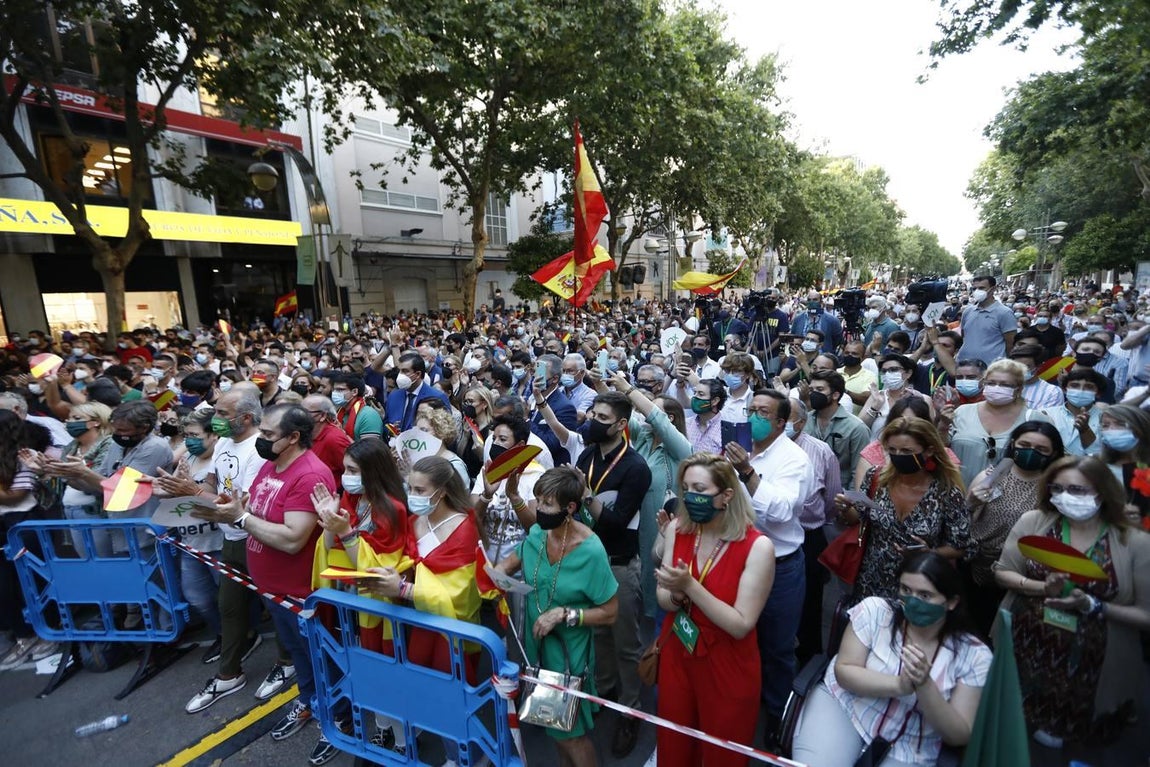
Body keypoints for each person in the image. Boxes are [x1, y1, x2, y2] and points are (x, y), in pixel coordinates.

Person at [189, 403, 336, 748]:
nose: (262, 440)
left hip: (300, 595)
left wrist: (240, 519)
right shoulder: (271, 465)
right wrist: (228, 506)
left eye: (269, 435)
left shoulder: (309, 475)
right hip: (274, 591)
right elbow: (254, 506)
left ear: (294, 438)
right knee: (302, 660)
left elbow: (292, 538)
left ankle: (337, 719)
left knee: (322, 660)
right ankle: (311, 703)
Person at [994, 456, 1150, 749]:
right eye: (1057, 488)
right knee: (1016, 730)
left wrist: (1093, 606)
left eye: (1078, 490)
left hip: (1094, 661)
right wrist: (1042, 587)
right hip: (1025, 646)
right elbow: (1003, 573)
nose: (1065, 497)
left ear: (1103, 492)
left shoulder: (1135, 542)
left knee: (1079, 742)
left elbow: (1146, 614)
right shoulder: (1034, 522)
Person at [791, 552, 993, 767]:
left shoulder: (974, 655)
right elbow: (844, 671)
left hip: (912, 742)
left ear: (951, 602)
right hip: (847, 709)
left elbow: (958, 734)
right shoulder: (875, 612)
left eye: (925, 596)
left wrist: (924, 685)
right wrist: (900, 685)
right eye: (906, 590)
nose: (913, 602)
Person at [654, 454, 775, 767]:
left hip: (727, 663)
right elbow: (663, 598)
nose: (690, 496)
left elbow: (740, 624)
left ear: (726, 495)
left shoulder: (757, 547)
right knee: (675, 745)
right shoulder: (679, 529)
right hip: (678, 652)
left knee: (723, 753)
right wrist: (677, 596)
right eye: (686, 488)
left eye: (699, 488)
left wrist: (690, 587)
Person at [495, 466, 619, 767]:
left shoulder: (590, 550)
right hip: (535, 647)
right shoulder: (539, 532)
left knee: (570, 735)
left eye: (547, 503)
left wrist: (565, 614)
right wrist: (497, 574)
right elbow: (512, 561)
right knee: (555, 728)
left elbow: (610, 612)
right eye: (537, 499)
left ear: (570, 508)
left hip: (569, 655)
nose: (539, 507)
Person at [368, 456, 485, 763]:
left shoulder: (464, 526)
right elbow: (405, 562)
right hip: (415, 623)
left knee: (452, 700)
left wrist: (403, 589)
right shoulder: (414, 520)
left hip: (451, 630)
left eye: (420, 489)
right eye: (410, 487)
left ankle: (461, 757)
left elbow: (458, 593)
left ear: (442, 491)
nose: (413, 495)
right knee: (425, 694)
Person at [310, 439, 411, 765]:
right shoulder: (351, 498)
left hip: (381, 607)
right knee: (364, 668)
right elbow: (330, 547)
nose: (346, 477)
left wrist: (347, 532)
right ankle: (381, 726)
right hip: (350, 601)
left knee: (387, 671)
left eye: (353, 470)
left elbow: (377, 571)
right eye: (346, 468)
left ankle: (402, 738)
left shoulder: (393, 508)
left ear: (372, 472)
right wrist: (329, 523)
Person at [723, 388, 812, 743]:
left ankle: (778, 719)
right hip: (735, 558)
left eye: (763, 412)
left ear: (780, 421)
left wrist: (746, 472)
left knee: (776, 647)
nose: (754, 417)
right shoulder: (736, 447)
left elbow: (781, 512)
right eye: (751, 410)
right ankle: (738, 705)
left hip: (779, 566)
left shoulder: (793, 459)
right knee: (736, 637)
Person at [837, 417, 969, 602]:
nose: (898, 455)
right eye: (892, 450)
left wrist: (930, 553)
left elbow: (961, 546)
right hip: (871, 580)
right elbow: (858, 518)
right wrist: (845, 508)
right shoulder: (876, 478)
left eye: (907, 451)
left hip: (920, 586)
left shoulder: (946, 491)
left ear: (929, 451)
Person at [963, 421, 1064, 636]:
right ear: (1013, 445)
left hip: (1023, 574)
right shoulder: (990, 477)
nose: (1030, 452)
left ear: (1053, 454)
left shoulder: (1053, 491)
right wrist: (971, 502)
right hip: (977, 569)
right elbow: (963, 523)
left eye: (1041, 449)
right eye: (1024, 445)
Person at [609, 371, 692, 621]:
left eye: (651, 411)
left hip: (662, 527)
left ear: (671, 418)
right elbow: (620, 414)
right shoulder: (644, 437)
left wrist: (629, 389)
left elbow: (657, 419)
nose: (644, 414)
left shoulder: (679, 447)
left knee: (657, 576)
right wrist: (605, 383)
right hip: (635, 524)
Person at [0, 410, 57, 667]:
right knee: (6, 586)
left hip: (22, 523)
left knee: (34, 580)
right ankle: (25, 635)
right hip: (4, 524)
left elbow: (18, 494)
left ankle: (49, 632)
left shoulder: (26, 456)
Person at [946, 359, 1047, 489]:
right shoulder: (962, 411)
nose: (997, 388)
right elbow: (942, 448)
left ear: (1019, 389)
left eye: (1005, 385)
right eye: (991, 383)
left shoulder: (1034, 418)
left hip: (1007, 499)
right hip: (957, 492)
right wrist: (942, 424)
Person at [852, 398, 960, 491]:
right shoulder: (873, 452)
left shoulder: (944, 455)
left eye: (914, 422)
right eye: (892, 450)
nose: (906, 427)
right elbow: (861, 500)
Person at [804, 370, 869, 489]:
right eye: (811, 390)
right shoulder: (804, 420)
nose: (813, 394)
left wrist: (850, 501)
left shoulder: (856, 427)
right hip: (808, 491)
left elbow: (859, 470)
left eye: (820, 390)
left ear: (835, 395)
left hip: (839, 493)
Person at [859, 353, 934, 440]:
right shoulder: (876, 396)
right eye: (884, 371)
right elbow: (860, 428)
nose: (888, 374)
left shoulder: (923, 399)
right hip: (876, 451)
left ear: (908, 373)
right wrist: (875, 407)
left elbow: (930, 433)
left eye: (893, 370)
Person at [1097, 404, 1150, 525]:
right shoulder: (1098, 467)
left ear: (1139, 427)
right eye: (1106, 426)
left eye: (1120, 424)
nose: (1112, 430)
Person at [957, 275, 1017, 363]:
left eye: (981, 288)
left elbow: (1010, 342)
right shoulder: (968, 311)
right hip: (965, 365)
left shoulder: (1004, 313)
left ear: (993, 289)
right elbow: (964, 336)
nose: (977, 291)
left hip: (992, 368)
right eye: (974, 288)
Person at [331, 373, 384, 440]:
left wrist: (343, 435)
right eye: (334, 390)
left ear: (354, 392)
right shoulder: (340, 411)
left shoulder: (368, 415)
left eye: (340, 390)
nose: (335, 393)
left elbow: (369, 449)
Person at [685, 379, 725, 455]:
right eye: (695, 393)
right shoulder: (686, 424)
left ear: (715, 401)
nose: (695, 397)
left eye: (701, 394)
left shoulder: (725, 430)